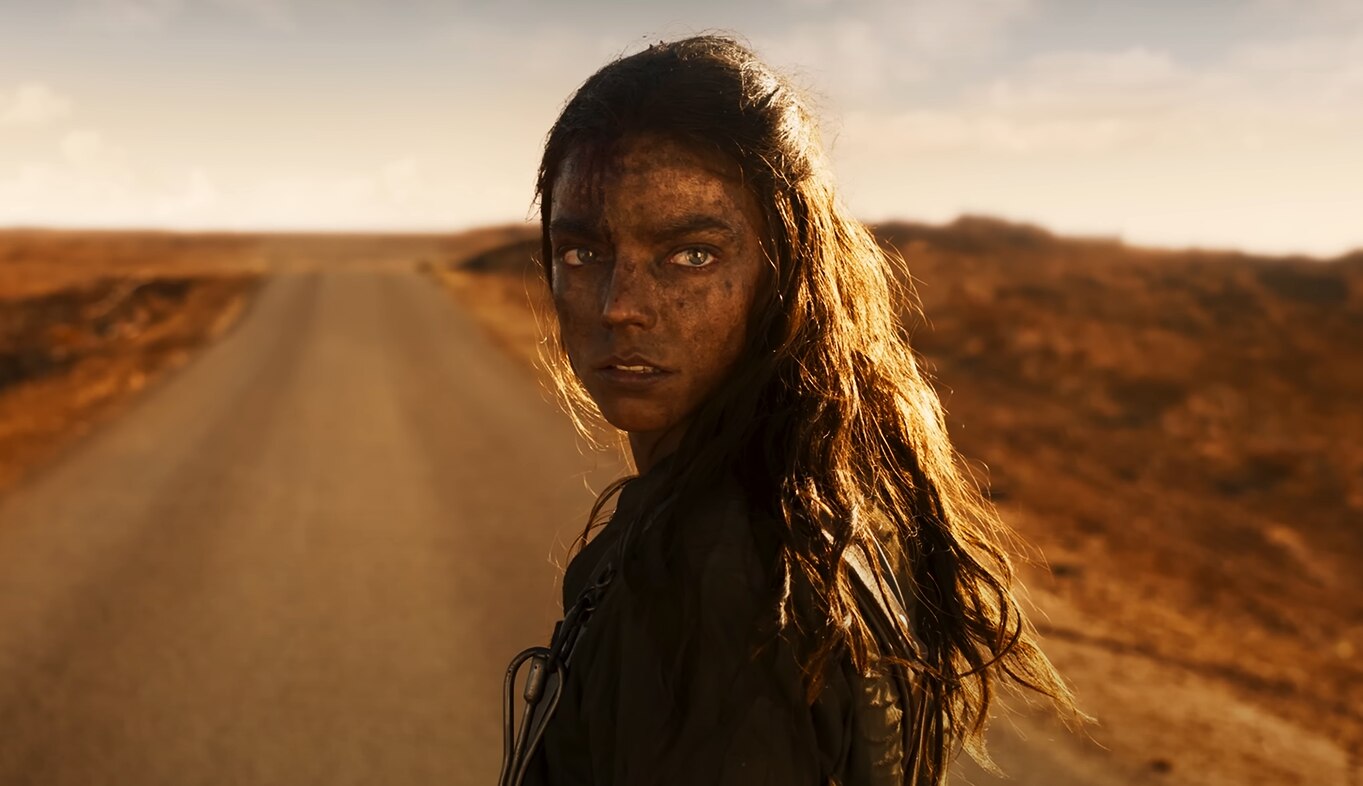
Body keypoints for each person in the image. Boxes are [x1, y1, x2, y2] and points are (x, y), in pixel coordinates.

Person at [500, 34, 1079, 786]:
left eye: (691, 254)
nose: (620, 307)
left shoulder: (725, 574)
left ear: (788, 265)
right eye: (582, 253)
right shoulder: (826, 498)